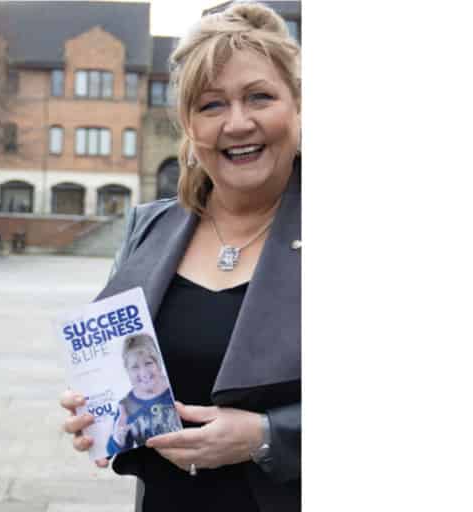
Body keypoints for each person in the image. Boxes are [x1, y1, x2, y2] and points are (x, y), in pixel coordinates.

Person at [61, 2, 300, 511]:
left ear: (298, 107)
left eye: (259, 97)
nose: (237, 123)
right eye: (211, 105)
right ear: (189, 126)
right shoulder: (149, 227)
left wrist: (266, 434)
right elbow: (124, 373)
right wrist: (98, 409)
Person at [106, 334, 182, 457]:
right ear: (127, 370)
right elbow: (112, 453)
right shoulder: (126, 406)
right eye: (135, 367)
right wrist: (118, 438)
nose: (144, 373)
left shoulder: (175, 388)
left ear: (158, 363)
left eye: (148, 363)